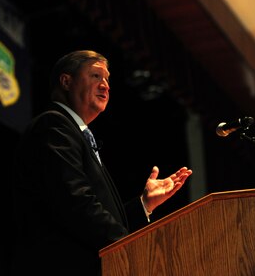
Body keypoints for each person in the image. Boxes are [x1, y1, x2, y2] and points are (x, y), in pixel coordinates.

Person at [13, 50, 192, 275]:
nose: (105, 85)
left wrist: (144, 205)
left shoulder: (78, 134)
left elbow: (98, 211)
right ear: (66, 81)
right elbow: (77, 203)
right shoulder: (54, 126)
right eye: (96, 76)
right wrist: (133, 248)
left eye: (107, 79)